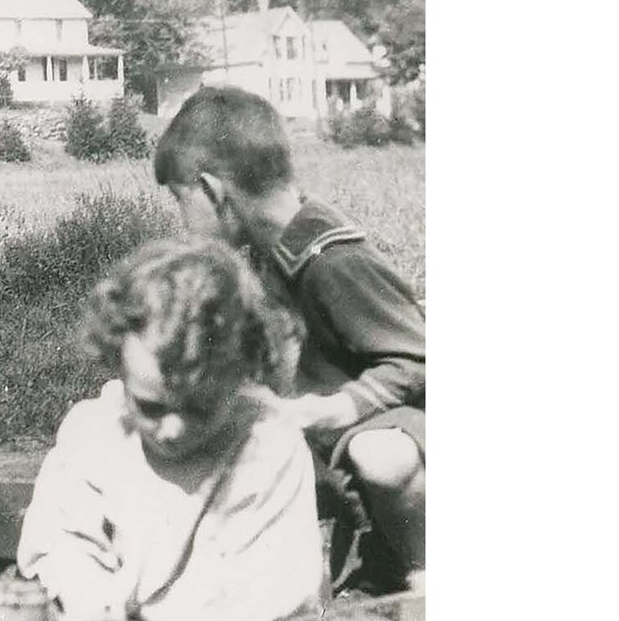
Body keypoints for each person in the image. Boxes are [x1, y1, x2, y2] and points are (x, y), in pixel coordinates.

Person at [152, 87, 425, 590]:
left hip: (396, 425)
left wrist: (339, 408)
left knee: (382, 458)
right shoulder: (264, 250)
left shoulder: (332, 261)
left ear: (214, 192)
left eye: (179, 199)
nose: (181, 218)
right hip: (325, 429)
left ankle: (422, 568)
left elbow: (420, 358)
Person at [18, 237, 323, 621]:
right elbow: (58, 546)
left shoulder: (266, 445)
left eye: (200, 407)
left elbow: (277, 595)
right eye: (150, 406)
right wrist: (90, 606)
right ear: (118, 365)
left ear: (241, 373)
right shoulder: (95, 435)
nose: (173, 429)